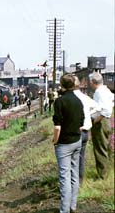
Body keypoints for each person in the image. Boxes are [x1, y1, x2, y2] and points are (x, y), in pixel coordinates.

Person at [52, 74, 84, 213]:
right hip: (77, 141)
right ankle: (72, 206)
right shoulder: (79, 100)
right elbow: (81, 124)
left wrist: (55, 140)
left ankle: (64, 211)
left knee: (64, 178)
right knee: (74, 174)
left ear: (62, 85)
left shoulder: (60, 101)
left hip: (64, 144)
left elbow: (57, 127)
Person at [73, 76, 98, 184]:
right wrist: (88, 115)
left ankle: (72, 184)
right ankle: (80, 181)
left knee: (71, 159)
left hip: (74, 133)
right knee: (81, 157)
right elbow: (98, 107)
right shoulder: (85, 97)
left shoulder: (70, 98)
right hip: (85, 131)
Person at [89, 72, 114, 180]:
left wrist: (95, 121)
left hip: (101, 122)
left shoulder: (99, 92)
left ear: (92, 82)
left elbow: (105, 110)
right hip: (107, 121)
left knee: (100, 149)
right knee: (106, 148)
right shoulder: (106, 90)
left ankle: (102, 176)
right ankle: (108, 172)